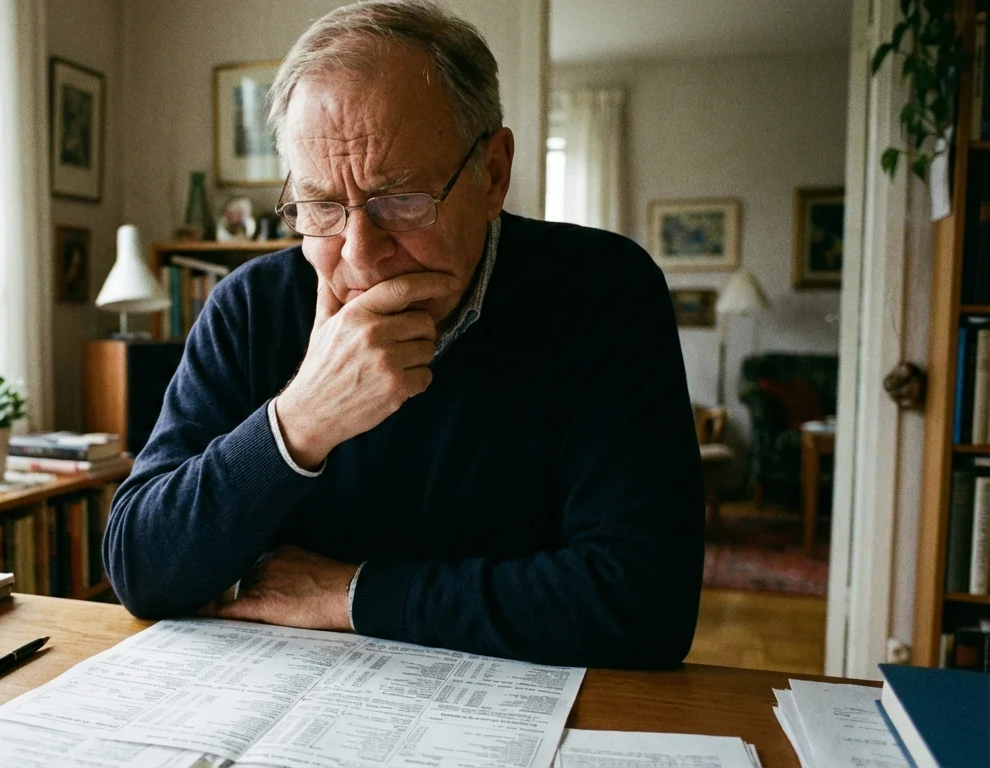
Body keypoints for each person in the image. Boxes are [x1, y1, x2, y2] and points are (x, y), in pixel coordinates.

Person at [103, 0, 703, 669]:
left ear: (493, 173)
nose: (360, 253)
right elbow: (141, 569)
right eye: (322, 206)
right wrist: (299, 422)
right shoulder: (249, 307)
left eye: (401, 200)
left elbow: (645, 603)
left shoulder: (605, 291)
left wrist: (350, 594)